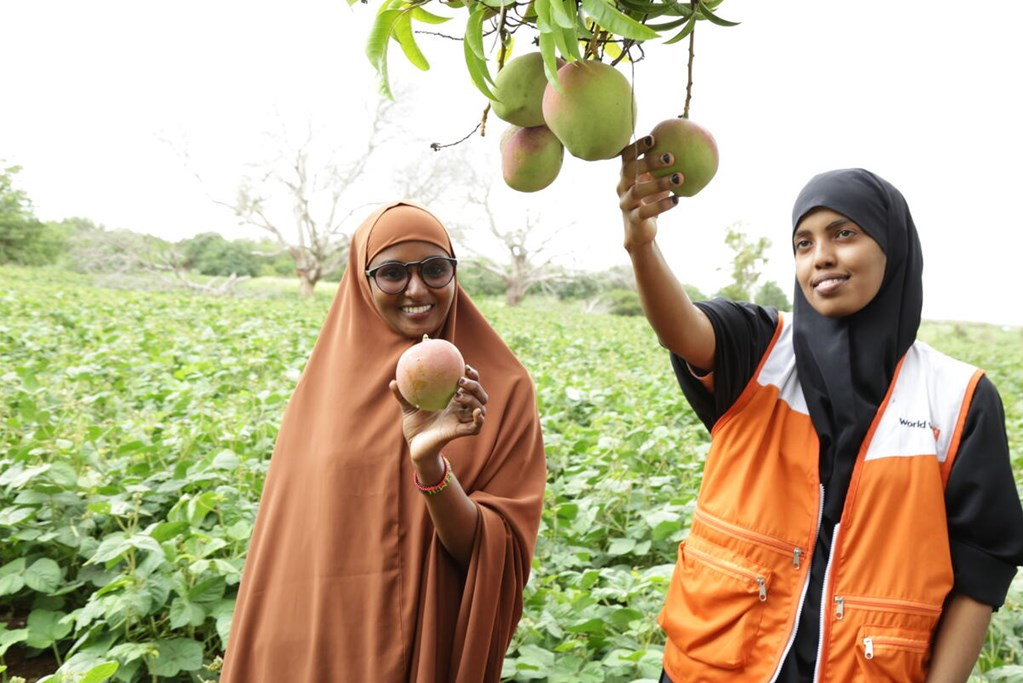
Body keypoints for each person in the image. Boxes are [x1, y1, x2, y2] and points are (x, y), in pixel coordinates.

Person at [616, 145, 1023, 682]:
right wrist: (641, 244)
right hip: (717, 666)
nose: (820, 256)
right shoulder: (761, 348)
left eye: (844, 234)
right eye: (803, 244)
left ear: (892, 246)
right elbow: (682, 329)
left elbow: (981, 573)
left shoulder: (959, 398)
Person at [219, 201, 547, 682]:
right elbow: (290, 551)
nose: (417, 289)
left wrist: (430, 465)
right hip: (319, 642)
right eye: (392, 273)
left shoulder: (502, 387)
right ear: (361, 280)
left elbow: (492, 553)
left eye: (436, 269)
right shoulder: (325, 392)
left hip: (425, 640)